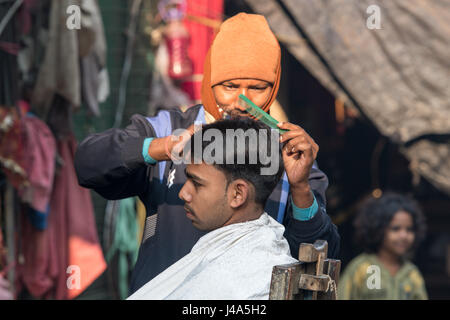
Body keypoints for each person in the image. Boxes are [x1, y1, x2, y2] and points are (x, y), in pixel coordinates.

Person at [74, 12, 340, 295]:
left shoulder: (290, 158)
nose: (243, 101)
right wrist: (161, 147)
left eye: (258, 88)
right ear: (210, 80)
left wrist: (300, 188)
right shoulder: (169, 129)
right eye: (229, 86)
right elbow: (88, 164)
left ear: (273, 88)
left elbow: (320, 258)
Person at [128, 118, 298, 299]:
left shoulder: (233, 282)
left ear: (238, 194)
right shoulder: (261, 255)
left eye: (197, 183)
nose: (183, 193)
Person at [338, 192, 428, 300]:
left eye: (409, 229)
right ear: (378, 230)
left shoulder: (412, 274)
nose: (404, 235)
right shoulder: (361, 269)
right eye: (395, 229)